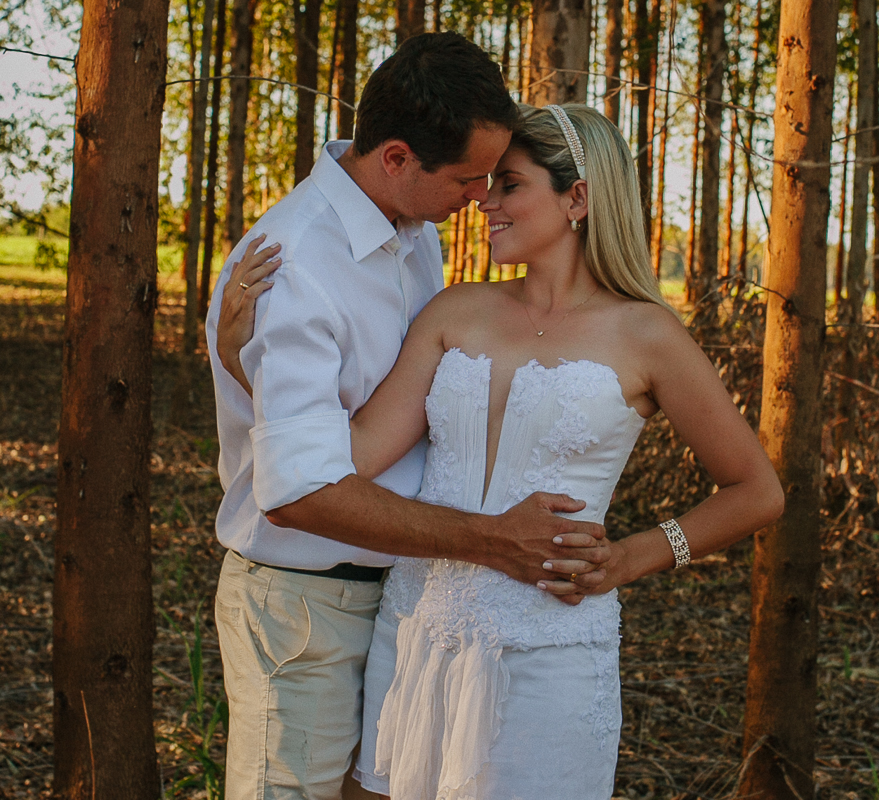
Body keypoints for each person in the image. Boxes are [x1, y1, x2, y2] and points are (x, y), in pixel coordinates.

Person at [220, 104, 785, 799]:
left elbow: (757, 490)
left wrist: (631, 557)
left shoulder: (648, 336)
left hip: (549, 650)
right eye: (486, 184)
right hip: (415, 630)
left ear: (577, 197)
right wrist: (246, 364)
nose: (484, 202)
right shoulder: (455, 310)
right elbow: (354, 453)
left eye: (509, 184)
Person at [205, 37, 613, 800]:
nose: (480, 197)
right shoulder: (293, 265)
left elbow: (390, 420)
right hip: (306, 611)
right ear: (396, 157)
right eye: (468, 178)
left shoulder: (415, 240)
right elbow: (297, 489)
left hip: (406, 604)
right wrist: (495, 541)